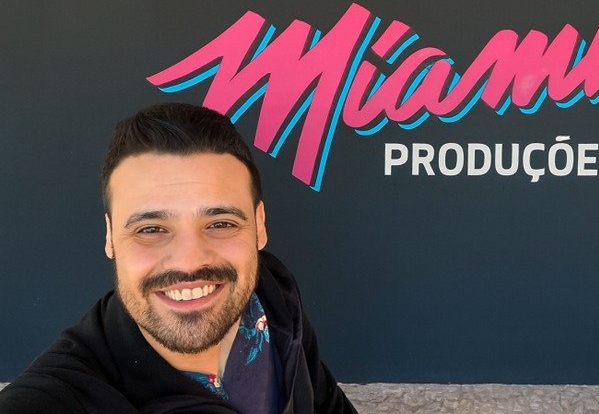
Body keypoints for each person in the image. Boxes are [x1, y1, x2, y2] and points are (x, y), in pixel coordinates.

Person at [0, 102, 357, 413]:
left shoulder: (274, 293)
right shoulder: (64, 396)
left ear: (259, 226)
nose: (189, 262)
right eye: (151, 229)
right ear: (110, 236)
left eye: (220, 223)